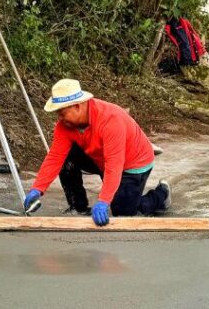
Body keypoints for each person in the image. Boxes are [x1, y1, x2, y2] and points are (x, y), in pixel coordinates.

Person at [21, 79, 170, 226]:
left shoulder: (110, 120)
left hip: (133, 163)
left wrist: (104, 201)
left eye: (61, 113)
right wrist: (37, 189)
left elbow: (114, 163)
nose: (59, 118)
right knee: (66, 158)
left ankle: (161, 195)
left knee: (123, 214)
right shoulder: (64, 125)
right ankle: (78, 207)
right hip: (100, 158)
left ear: (78, 106)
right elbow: (55, 157)